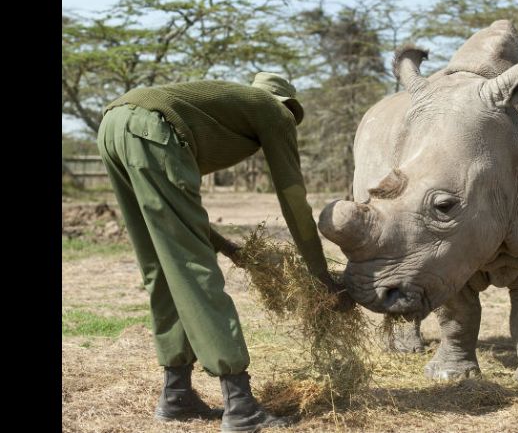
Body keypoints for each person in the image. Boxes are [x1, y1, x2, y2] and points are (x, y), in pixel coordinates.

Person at [96, 73, 354, 432]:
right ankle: (241, 405)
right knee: (193, 269)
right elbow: (293, 199)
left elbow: (182, 214)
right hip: (148, 126)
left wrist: (232, 250)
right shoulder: (275, 112)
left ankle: (176, 394)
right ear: (288, 107)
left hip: (112, 125)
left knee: (162, 266)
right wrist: (320, 276)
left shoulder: (220, 112)